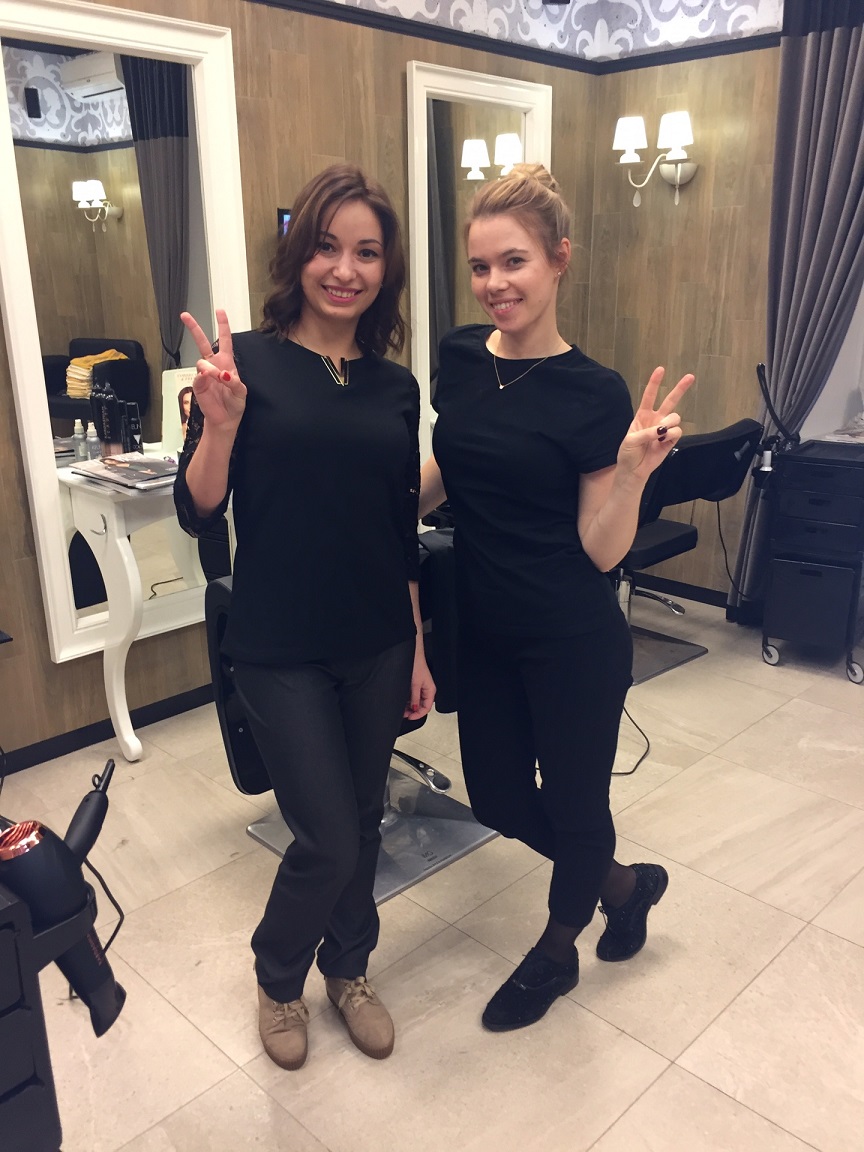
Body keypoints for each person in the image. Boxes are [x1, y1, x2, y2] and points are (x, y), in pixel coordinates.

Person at [419, 164, 693, 1032]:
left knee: (577, 807)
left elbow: (601, 547)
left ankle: (556, 950)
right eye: (480, 266)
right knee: (497, 801)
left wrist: (634, 474)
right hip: (484, 629)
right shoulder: (460, 356)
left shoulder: (593, 391)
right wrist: (370, 503)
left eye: (515, 262)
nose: (495, 283)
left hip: (571, 634)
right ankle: (625, 885)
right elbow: (448, 466)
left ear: (559, 260)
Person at [174, 164, 435, 1070]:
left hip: (377, 640)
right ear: (298, 255)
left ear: (386, 269)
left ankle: (350, 970)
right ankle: (278, 976)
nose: (345, 269)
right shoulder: (240, 364)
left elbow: (398, 527)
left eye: (367, 252)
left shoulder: (395, 386)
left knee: (363, 823)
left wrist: (416, 646)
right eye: (327, 246)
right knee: (324, 836)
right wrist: (218, 426)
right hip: (278, 646)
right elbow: (198, 512)